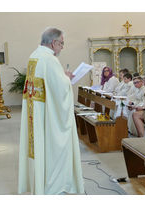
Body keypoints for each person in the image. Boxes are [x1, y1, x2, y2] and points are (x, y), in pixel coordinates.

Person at [18, 27, 84, 195]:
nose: (62, 47)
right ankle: (54, 186)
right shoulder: (50, 59)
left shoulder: (34, 56)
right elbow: (60, 90)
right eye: (61, 43)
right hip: (47, 116)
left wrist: (61, 77)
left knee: (39, 148)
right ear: (54, 43)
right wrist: (67, 79)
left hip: (36, 112)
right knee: (52, 147)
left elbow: (47, 83)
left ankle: (38, 183)